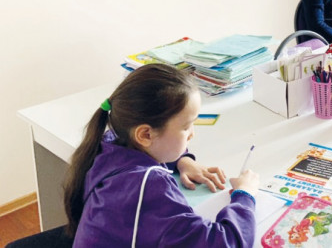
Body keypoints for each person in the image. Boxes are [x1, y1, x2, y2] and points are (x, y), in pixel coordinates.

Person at [63, 64, 259, 247]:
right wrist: (245, 195)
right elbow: (225, 243)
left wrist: (182, 160)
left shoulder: (107, 143)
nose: (192, 134)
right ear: (145, 135)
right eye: (186, 127)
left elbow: (150, 149)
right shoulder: (150, 185)